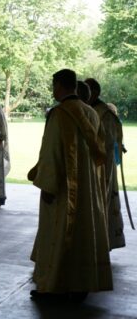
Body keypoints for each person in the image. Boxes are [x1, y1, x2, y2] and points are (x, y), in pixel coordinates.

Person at [28, 69, 112, 301]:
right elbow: (101, 152)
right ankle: (81, 284)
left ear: (59, 85)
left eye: (53, 86)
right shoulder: (91, 112)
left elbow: (51, 152)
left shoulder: (59, 114)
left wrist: (47, 185)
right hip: (88, 188)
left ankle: (56, 286)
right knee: (84, 233)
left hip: (64, 188)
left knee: (59, 233)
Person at [85, 78, 126, 250]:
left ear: (94, 92)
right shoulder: (88, 110)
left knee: (102, 203)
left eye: (86, 90)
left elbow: (108, 144)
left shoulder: (105, 114)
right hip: (91, 165)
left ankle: (101, 244)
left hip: (102, 167)